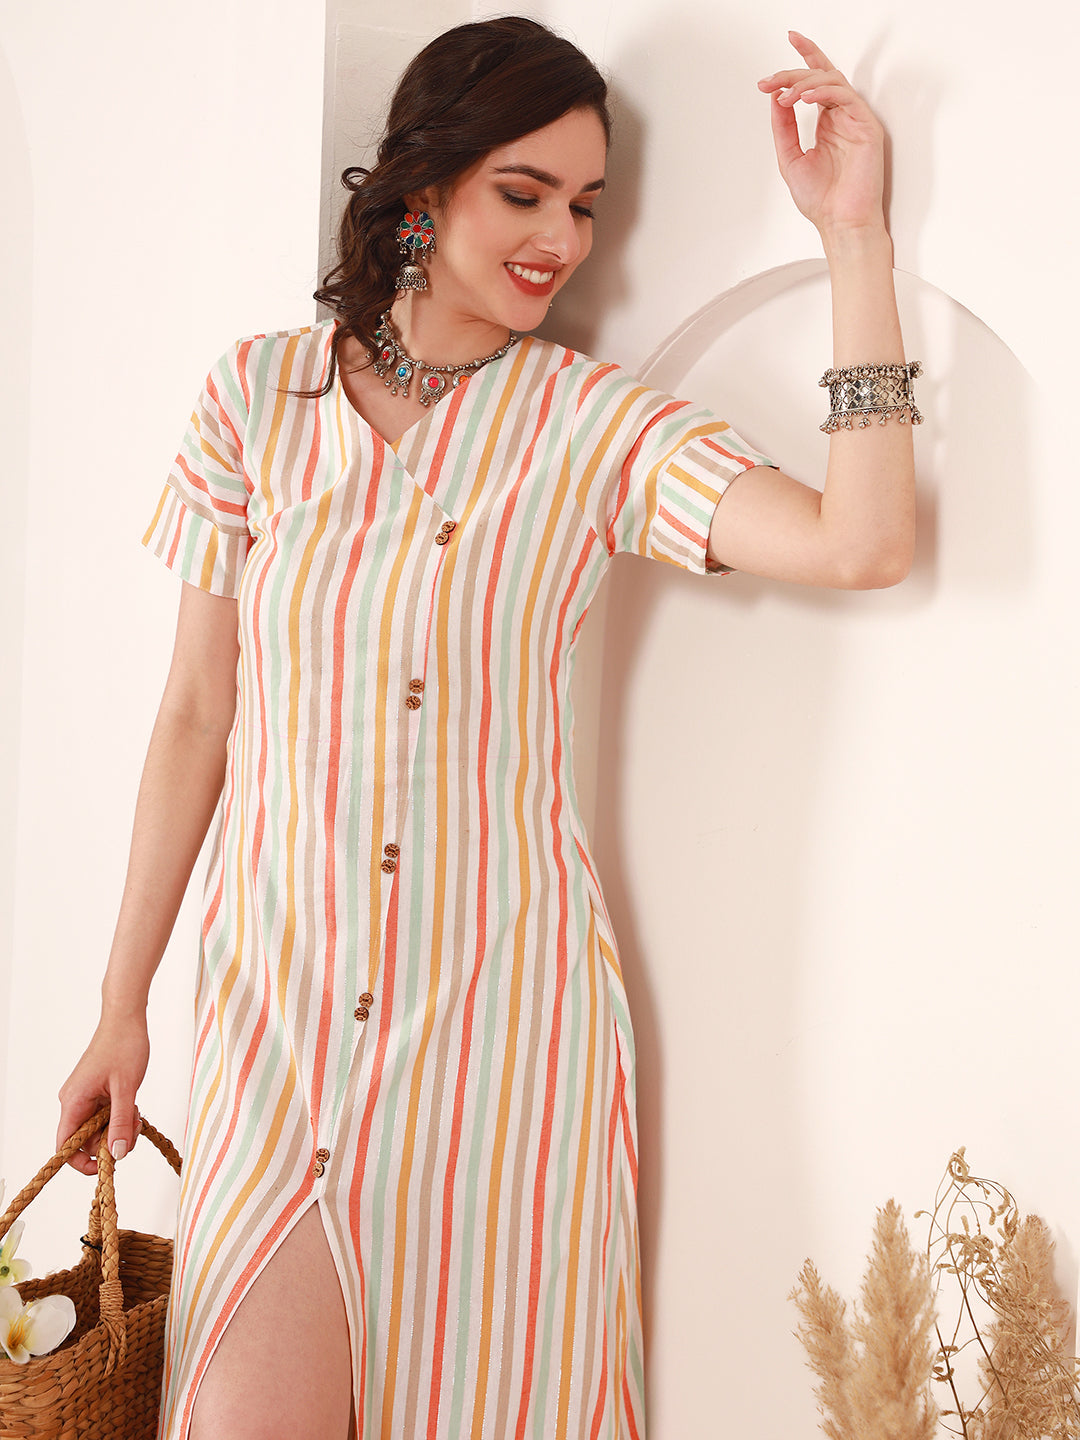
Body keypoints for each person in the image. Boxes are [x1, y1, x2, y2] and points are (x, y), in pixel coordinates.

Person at [56, 16, 916, 1440]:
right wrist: (121, 1001)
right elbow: (198, 713)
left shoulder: (586, 426)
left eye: (585, 205)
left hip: (500, 1046)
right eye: (524, 193)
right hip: (272, 1028)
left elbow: (861, 543)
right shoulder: (255, 400)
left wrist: (854, 237)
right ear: (422, 186)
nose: (560, 240)